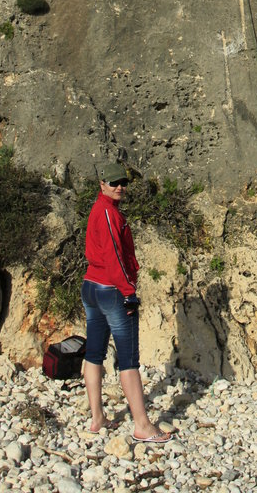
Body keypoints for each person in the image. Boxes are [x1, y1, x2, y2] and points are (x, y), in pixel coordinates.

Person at [81, 164, 172, 443]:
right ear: (102, 183)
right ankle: (142, 425)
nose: (119, 187)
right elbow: (114, 258)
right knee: (128, 359)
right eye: (114, 182)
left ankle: (97, 418)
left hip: (91, 287)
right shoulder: (108, 213)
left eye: (123, 182)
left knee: (94, 353)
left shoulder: (99, 209)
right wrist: (128, 291)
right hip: (110, 291)